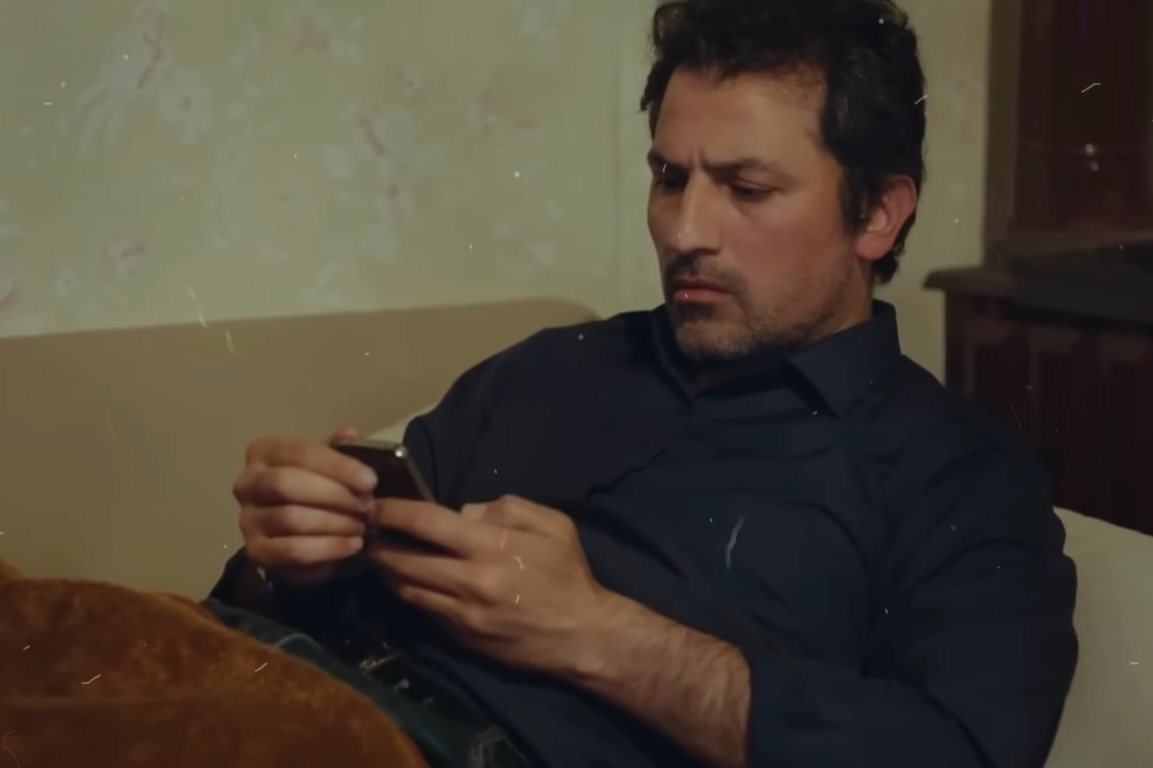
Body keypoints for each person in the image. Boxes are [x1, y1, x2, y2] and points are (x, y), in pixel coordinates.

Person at [210, 1, 1078, 767]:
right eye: (669, 179)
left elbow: (951, 750)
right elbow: (278, 598)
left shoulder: (957, 477)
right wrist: (285, 558)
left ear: (877, 214)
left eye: (746, 188)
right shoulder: (552, 365)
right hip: (262, 683)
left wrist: (596, 634)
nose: (685, 230)